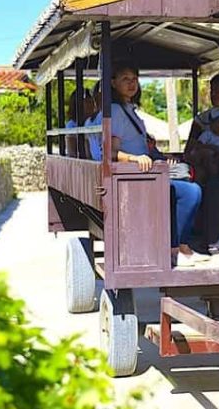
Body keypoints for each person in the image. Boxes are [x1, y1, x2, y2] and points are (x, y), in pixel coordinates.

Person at [109, 65, 204, 267]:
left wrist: (153, 152)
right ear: (113, 83)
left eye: (134, 78)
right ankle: (174, 248)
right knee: (190, 192)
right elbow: (111, 153)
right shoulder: (116, 111)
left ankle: (181, 245)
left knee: (186, 181)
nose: (131, 83)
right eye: (125, 78)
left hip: (147, 172)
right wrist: (136, 158)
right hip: (133, 176)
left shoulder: (129, 110)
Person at [64, 87, 99, 156]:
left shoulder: (94, 121)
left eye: (92, 102)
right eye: (88, 102)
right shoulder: (72, 125)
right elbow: (72, 152)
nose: (92, 105)